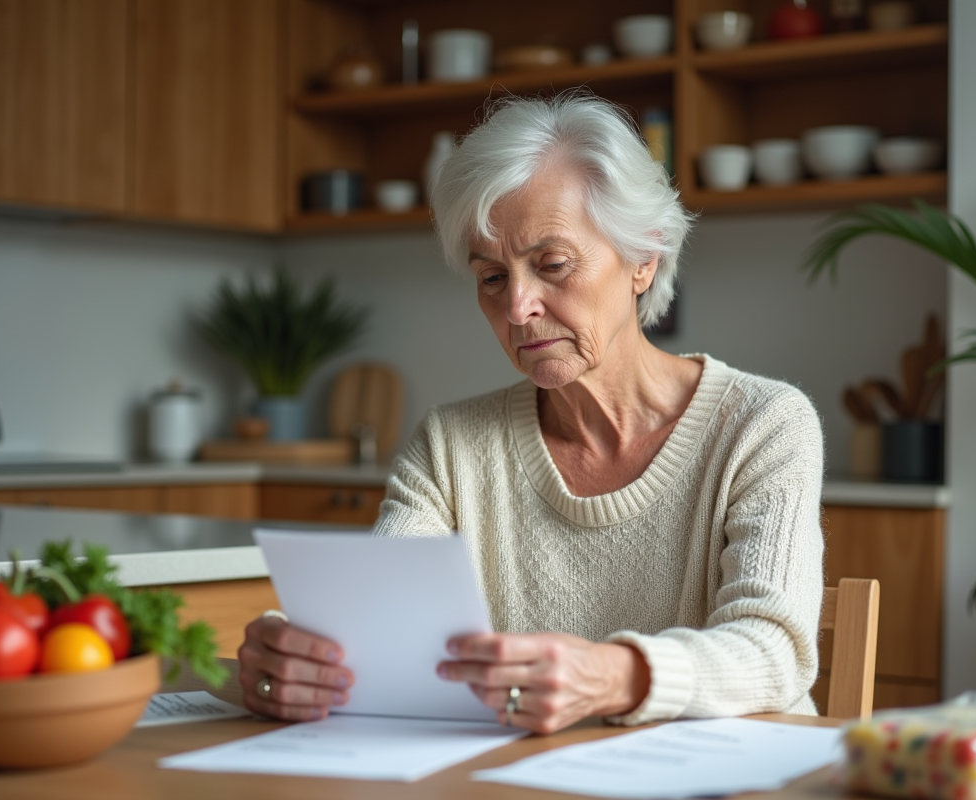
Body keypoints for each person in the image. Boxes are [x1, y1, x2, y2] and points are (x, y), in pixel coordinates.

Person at [238, 92, 825, 734]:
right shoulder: (451, 445)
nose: (517, 308)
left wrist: (612, 676)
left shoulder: (763, 424)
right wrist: (296, 656)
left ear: (644, 257)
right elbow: (377, 631)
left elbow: (774, 653)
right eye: (491, 278)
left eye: (552, 265)